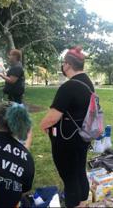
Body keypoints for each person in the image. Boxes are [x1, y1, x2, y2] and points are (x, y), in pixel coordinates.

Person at [40, 46, 93, 207]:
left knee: (69, 178)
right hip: (83, 136)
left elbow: (51, 118)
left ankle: (74, 203)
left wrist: (42, 125)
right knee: (79, 172)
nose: (62, 66)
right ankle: (82, 203)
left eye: (63, 63)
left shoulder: (69, 87)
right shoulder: (88, 82)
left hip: (66, 140)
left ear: (68, 64)